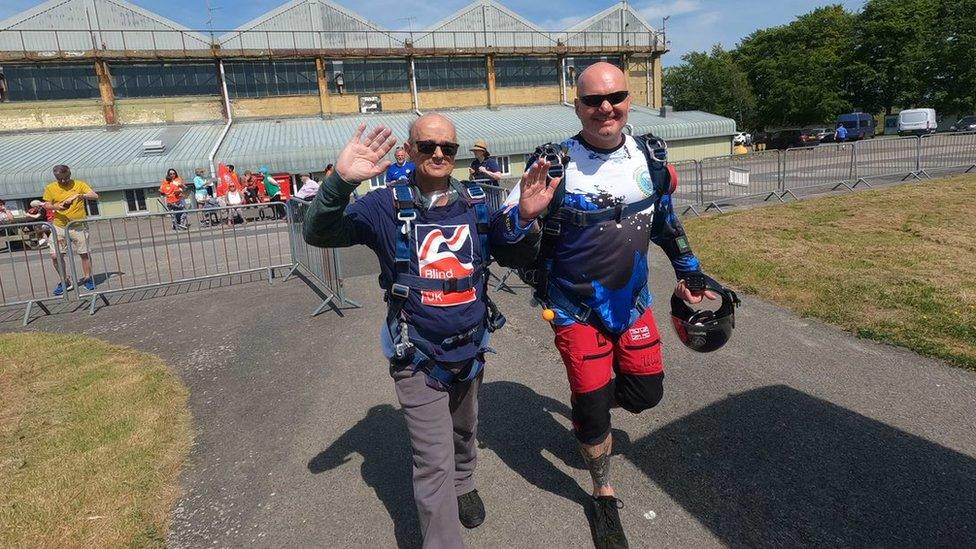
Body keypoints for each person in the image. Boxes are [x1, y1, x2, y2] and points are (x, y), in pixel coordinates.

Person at [303, 114, 553, 548]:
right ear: (410, 150)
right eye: (428, 146)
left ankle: (464, 482)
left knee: (463, 430)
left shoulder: (475, 202)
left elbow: (514, 254)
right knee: (432, 460)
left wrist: (526, 221)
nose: (438, 154)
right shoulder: (384, 205)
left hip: (472, 346)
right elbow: (319, 232)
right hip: (415, 354)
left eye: (447, 148)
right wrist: (339, 182)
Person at [500, 62, 717, 549]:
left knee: (646, 395)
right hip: (574, 308)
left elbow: (664, 222)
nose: (605, 108)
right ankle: (602, 490)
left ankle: (589, 402)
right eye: (592, 100)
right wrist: (521, 217)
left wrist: (689, 270)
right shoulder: (552, 165)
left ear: (629, 100)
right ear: (575, 106)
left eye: (615, 97)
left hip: (632, 302)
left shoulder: (652, 158)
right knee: (596, 411)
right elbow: (502, 239)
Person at [42, 165, 99, 295]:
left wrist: (80, 195)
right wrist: (56, 206)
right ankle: (65, 280)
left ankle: (87, 278)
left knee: (84, 253)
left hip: (78, 226)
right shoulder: (51, 187)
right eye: (59, 179)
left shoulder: (79, 184)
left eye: (65, 178)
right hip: (59, 226)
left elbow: (94, 196)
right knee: (55, 255)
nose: (62, 181)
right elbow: (46, 204)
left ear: (69, 174)